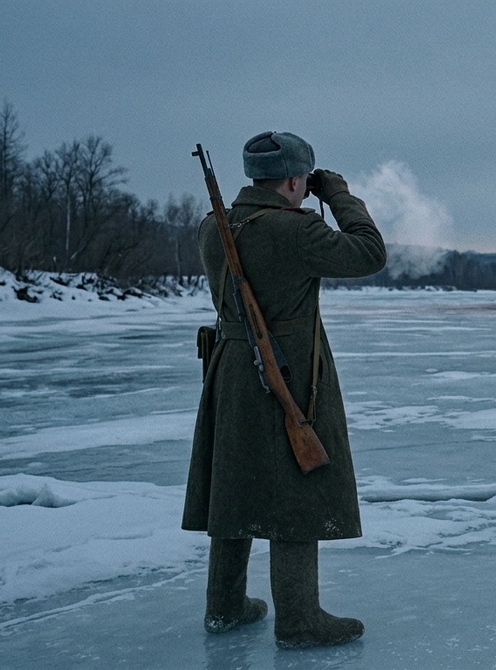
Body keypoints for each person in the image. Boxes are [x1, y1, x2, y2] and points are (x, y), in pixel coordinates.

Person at [182, 131, 385, 649]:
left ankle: (224, 606)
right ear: (296, 180)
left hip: (230, 371)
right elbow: (369, 252)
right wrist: (338, 194)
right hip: (289, 374)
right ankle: (299, 619)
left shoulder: (213, 226)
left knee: (233, 483)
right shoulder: (295, 230)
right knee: (297, 486)